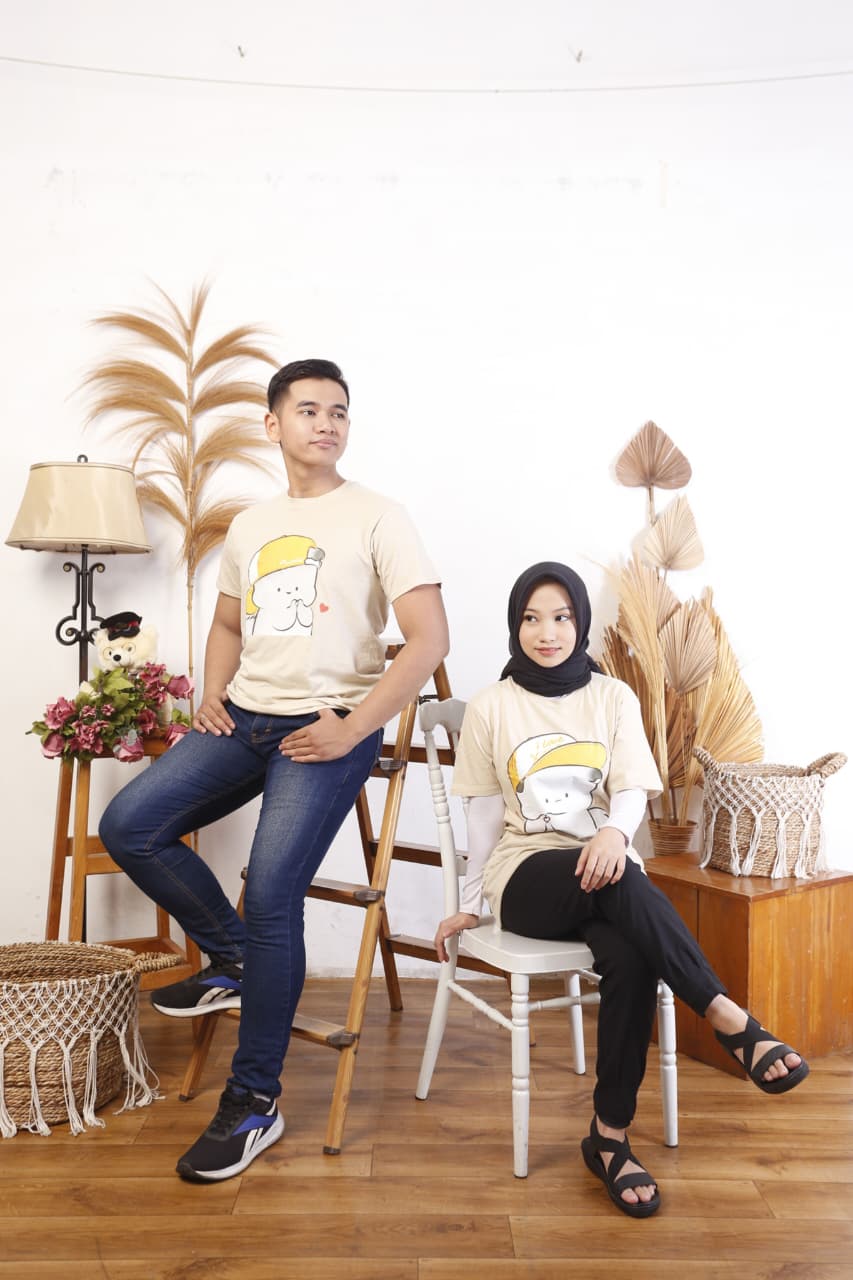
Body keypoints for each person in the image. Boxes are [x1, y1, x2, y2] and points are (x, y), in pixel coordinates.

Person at [101, 358, 449, 1182]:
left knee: (270, 893)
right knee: (129, 826)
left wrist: (353, 727)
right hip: (246, 719)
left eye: (338, 412)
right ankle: (232, 959)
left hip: (327, 726)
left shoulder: (380, 516)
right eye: (308, 410)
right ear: (273, 424)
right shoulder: (251, 524)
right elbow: (229, 624)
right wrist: (211, 693)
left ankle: (253, 1100)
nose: (325, 423)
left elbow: (429, 639)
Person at [434, 561, 807, 1218]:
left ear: (578, 622)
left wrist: (611, 833)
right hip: (526, 875)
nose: (546, 632)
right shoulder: (493, 704)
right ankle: (727, 1017)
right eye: (531, 618)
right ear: (515, 625)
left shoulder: (612, 697)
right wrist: (467, 905)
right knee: (620, 877)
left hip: (604, 869)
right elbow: (485, 814)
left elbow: (631, 787)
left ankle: (608, 1139)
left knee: (631, 953)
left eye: (561, 617)